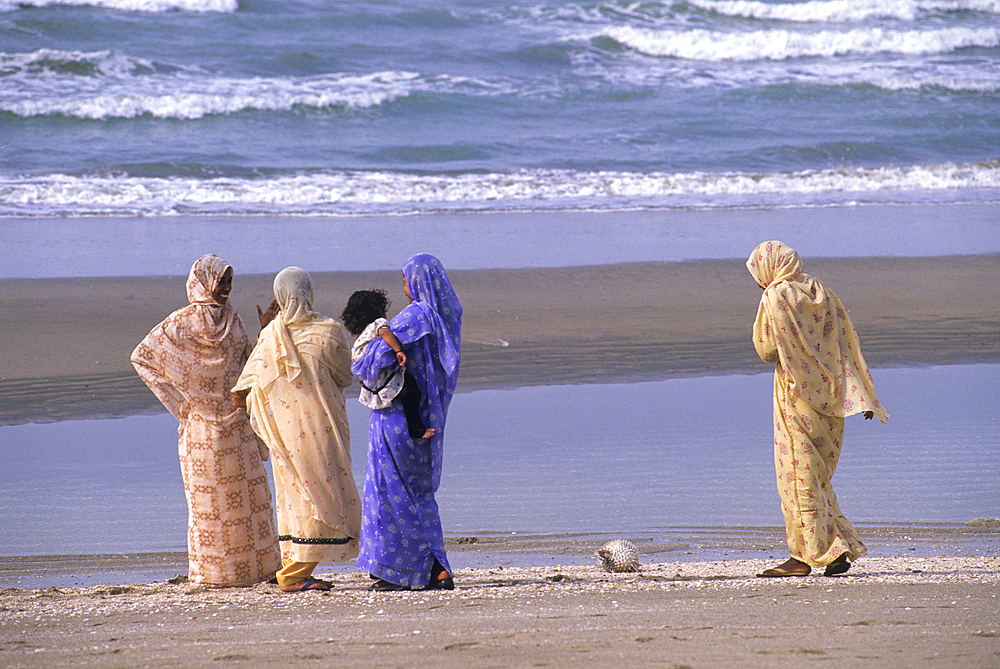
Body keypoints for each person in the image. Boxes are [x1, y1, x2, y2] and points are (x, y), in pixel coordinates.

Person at [131, 253, 281, 587]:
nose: (226, 288)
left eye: (229, 282)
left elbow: (247, 363)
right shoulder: (181, 322)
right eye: (221, 282)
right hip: (202, 431)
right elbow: (143, 358)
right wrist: (182, 405)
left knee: (250, 500)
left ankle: (259, 571)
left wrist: (265, 332)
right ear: (203, 282)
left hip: (237, 425)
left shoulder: (234, 318)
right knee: (209, 508)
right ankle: (214, 576)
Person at [747, 241, 888, 578]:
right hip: (833, 397)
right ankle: (835, 548)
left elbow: (766, 350)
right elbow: (843, 341)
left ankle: (804, 557)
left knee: (797, 480)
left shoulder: (776, 297)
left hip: (797, 397)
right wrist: (861, 393)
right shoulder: (820, 291)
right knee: (818, 480)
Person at [232, 267, 362, 593]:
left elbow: (242, 392)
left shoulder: (269, 338)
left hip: (285, 435)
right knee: (325, 495)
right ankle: (293, 575)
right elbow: (346, 376)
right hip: (322, 429)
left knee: (297, 497)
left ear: (278, 297)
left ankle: (294, 570)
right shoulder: (328, 331)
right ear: (309, 292)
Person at [351, 253, 461, 591]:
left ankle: (398, 569)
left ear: (416, 282)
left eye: (405, 280)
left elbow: (371, 363)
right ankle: (437, 567)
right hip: (428, 416)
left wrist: (364, 356)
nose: (404, 288)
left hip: (395, 418)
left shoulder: (413, 318)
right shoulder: (445, 319)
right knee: (420, 493)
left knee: (391, 491)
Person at [341, 288, 434, 440]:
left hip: (367, 372)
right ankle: (416, 428)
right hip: (377, 370)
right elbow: (385, 333)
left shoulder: (362, 334)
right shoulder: (379, 323)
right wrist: (398, 350)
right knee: (411, 391)